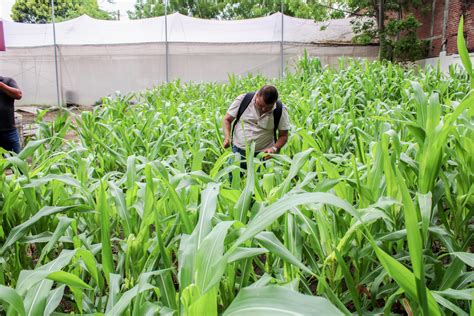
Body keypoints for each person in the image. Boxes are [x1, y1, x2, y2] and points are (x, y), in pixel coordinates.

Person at [222, 85, 290, 171]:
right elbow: (227, 120)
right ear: (257, 95)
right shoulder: (243, 100)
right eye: (260, 105)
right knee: (235, 182)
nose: (263, 109)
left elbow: (283, 136)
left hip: (263, 156)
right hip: (238, 153)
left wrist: (274, 148)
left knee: (261, 182)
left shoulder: (280, 109)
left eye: (268, 107)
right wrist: (227, 137)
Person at [0, 76, 23, 154]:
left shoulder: (7, 81)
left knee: (17, 159)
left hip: (9, 130)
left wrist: (1, 85)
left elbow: (18, 95)